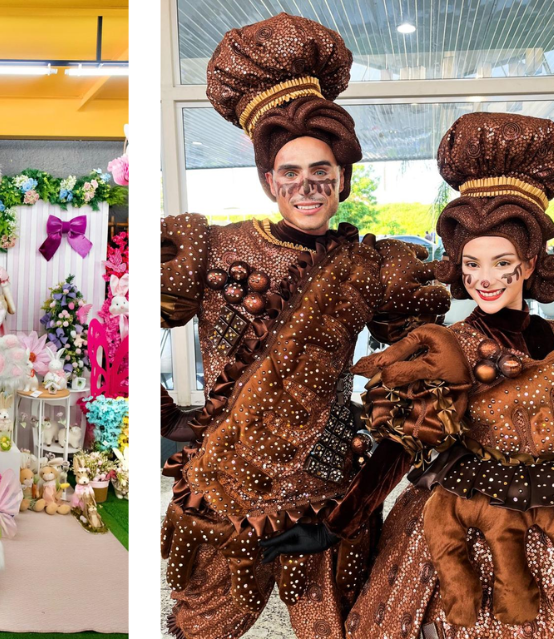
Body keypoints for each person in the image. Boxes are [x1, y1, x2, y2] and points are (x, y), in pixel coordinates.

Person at [160, 13, 452, 639]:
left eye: (321, 171)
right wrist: (167, 422)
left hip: (328, 490)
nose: (307, 186)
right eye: (290, 173)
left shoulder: (373, 267)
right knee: (201, 626)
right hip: (223, 488)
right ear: (268, 180)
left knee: (333, 628)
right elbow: (131, 326)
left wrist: (369, 481)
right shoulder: (210, 249)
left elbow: (417, 373)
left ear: (343, 179)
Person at [326, 112, 554, 638]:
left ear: (530, 263)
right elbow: (401, 449)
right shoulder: (447, 348)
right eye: (471, 263)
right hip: (467, 508)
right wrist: (342, 521)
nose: (484, 278)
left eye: (500, 261)